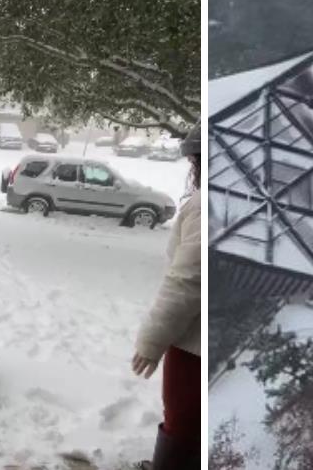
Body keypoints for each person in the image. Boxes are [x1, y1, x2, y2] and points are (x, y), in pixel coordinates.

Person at [133, 122, 202, 468]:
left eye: (194, 161)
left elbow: (188, 279)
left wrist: (151, 340)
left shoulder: (208, 205)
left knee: (183, 421)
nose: (192, 169)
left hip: (194, 344)